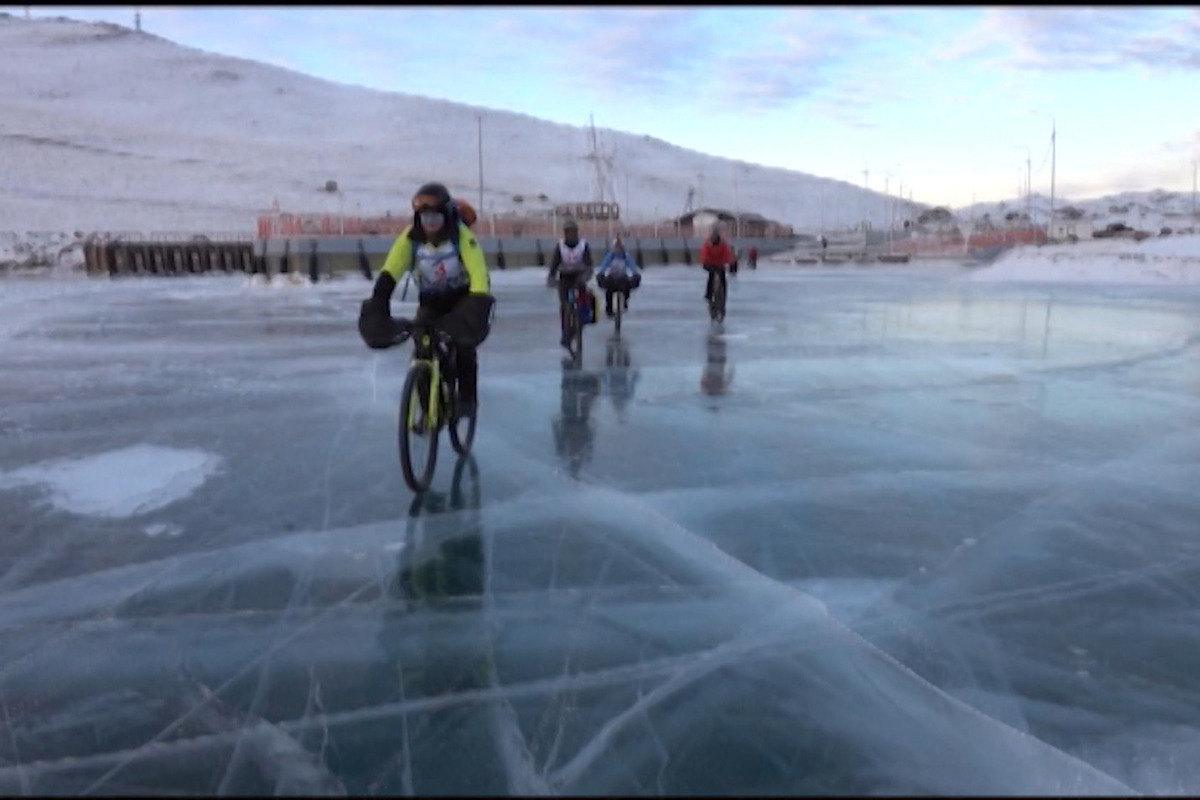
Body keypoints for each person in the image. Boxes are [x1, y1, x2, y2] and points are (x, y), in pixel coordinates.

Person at [357, 182, 495, 418]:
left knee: (464, 347)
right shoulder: (410, 239)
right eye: (425, 219)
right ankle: (429, 409)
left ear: (447, 216)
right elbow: (391, 271)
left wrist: (477, 305)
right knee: (422, 345)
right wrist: (379, 301)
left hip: (463, 298)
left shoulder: (462, 237)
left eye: (436, 219)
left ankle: (467, 399)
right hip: (431, 300)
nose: (430, 225)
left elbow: (479, 274)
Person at [546, 219, 594, 350]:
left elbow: (589, 265)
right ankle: (565, 332)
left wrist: (586, 276)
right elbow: (554, 264)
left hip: (579, 275)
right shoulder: (560, 246)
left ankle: (583, 319)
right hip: (565, 276)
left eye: (573, 232)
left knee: (584, 299)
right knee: (564, 304)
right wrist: (551, 277)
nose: (570, 235)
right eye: (568, 232)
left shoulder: (584, 246)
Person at [594, 236, 642, 317]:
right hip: (612, 278)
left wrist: (635, 273)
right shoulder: (610, 256)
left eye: (620, 247)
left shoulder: (625, 256)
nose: (618, 248)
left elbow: (631, 265)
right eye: (617, 246)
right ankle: (609, 309)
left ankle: (625, 302)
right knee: (609, 292)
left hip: (622, 278)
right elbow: (604, 265)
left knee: (627, 288)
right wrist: (601, 273)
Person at [699, 224, 733, 305]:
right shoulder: (706, 245)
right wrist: (706, 262)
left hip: (719, 264)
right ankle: (708, 294)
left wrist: (729, 262)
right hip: (709, 263)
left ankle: (723, 294)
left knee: (722, 277)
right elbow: (704, 255)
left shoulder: (723, 245)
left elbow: (727, 254)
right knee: (711, 276)